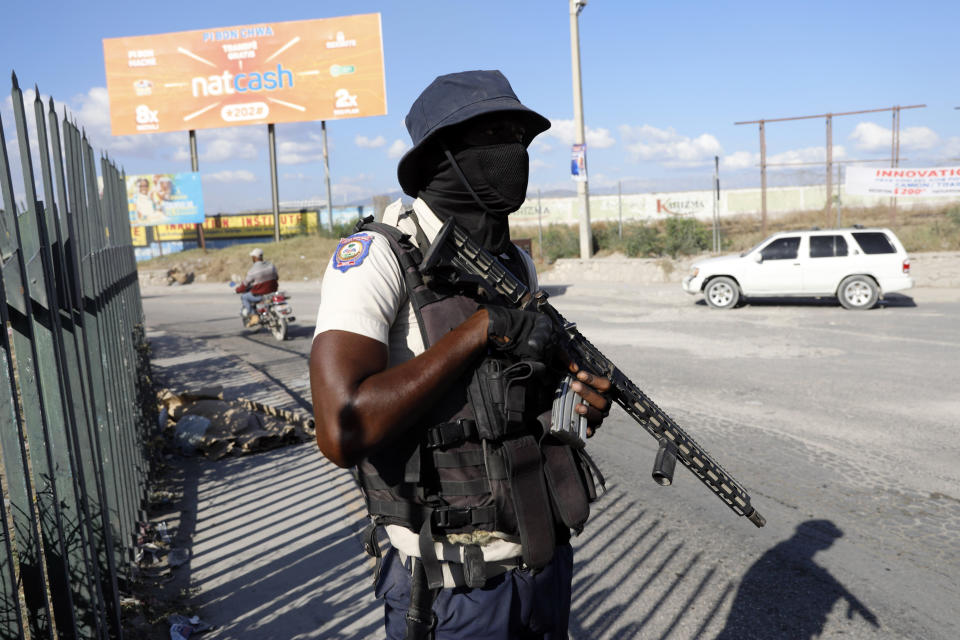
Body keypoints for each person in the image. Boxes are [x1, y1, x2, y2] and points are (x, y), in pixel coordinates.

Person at [309, 70, 612, 639]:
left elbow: (516, 408)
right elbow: (340, 430)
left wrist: (575, 402)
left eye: (519, 135)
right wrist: (474, 333)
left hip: (541, 564)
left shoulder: (514, 264)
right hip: (449, 589)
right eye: (491, 134)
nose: (512, 150)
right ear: (438, 157)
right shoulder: (376, 256)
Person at [235, 247, 278, 326]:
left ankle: (254, 316)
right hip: (272, 293)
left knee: (244, 297)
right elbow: (276, 277)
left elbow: (245, 284)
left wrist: (238, 290)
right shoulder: (271, 266)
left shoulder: (253, 270)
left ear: (254, 258)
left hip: (260, 295)